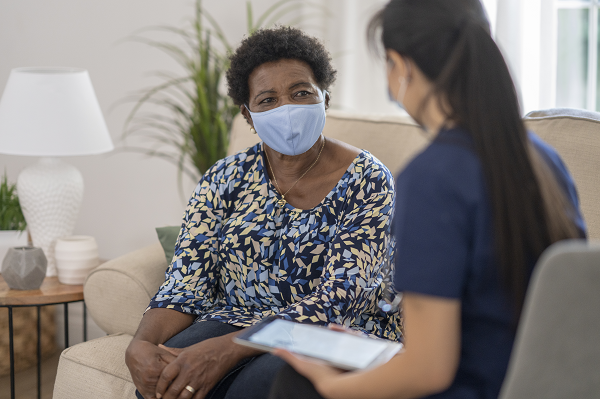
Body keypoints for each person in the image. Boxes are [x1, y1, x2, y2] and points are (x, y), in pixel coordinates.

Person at [269, 1, 586, 398]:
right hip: (531, 384)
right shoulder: (544, 158)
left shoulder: (432, 178)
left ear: (400, 66)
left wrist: (334, 387)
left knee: (298, 382)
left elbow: (429, 371)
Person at [125, 26, 402, 399]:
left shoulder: (368, 179)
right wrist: (140, 344)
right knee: (167, 380)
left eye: (301, 93)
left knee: (261, 387)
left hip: (333, 332)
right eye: (268, 100)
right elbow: (186, 281)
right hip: (235, 319)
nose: (286, 109)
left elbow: (339, 299)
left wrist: (225, 349)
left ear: (325, 98)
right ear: (248, 115)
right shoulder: (224, 178)